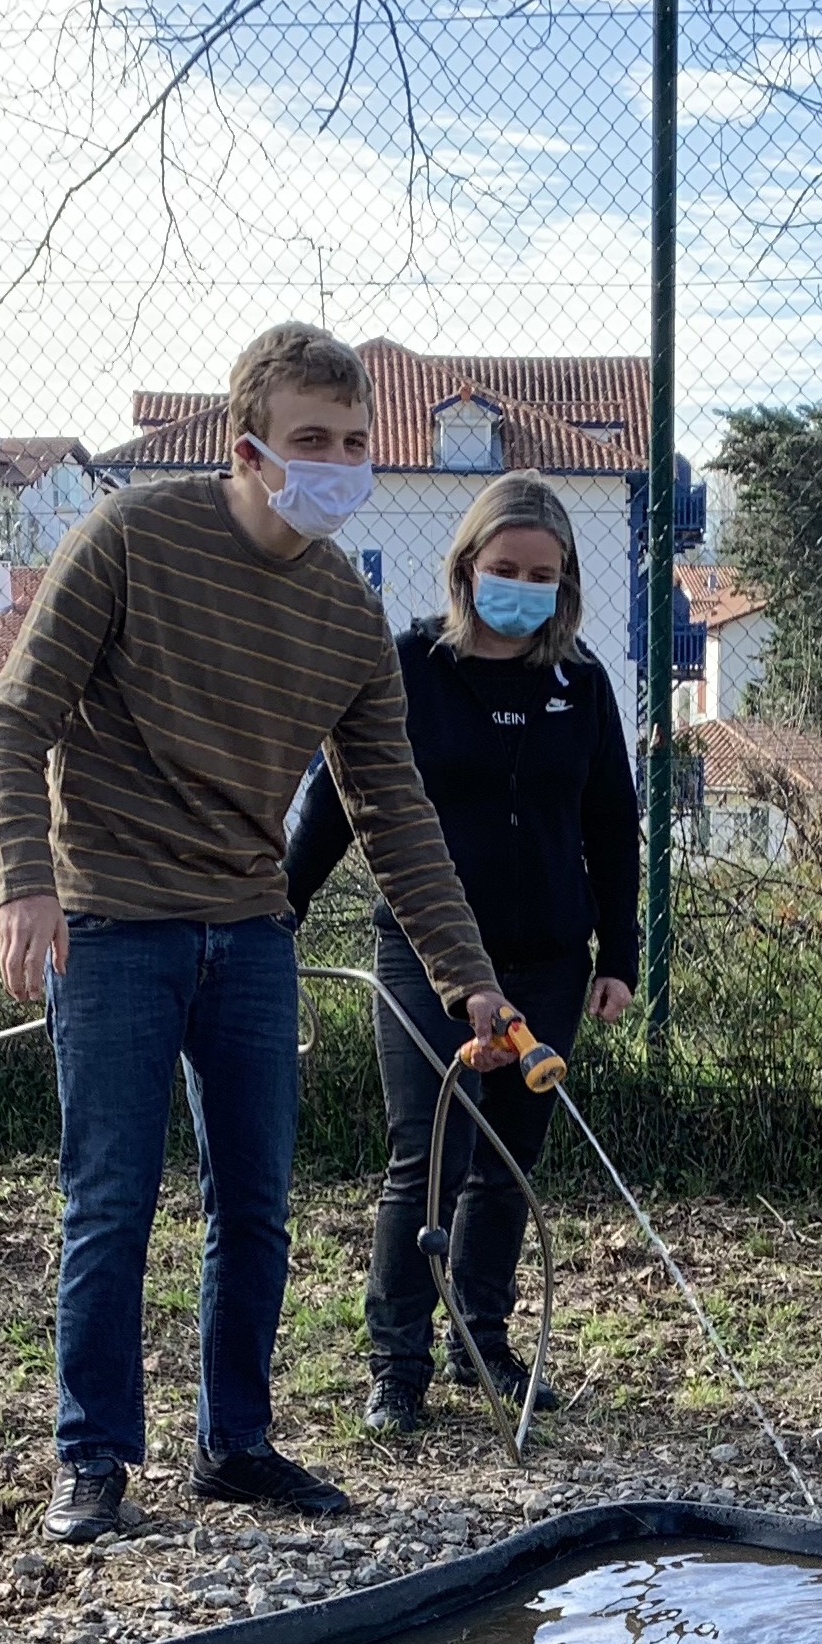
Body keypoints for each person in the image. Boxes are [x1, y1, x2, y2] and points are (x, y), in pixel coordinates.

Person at [0, 322, 509, 1540]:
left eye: (355, 441)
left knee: (255, 1203)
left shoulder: (346, 616)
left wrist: (468, 979)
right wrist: (25, 883)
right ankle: (94, 1455)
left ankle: (236, 1444)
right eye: (311, 441)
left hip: (250, 931)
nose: (336, 462)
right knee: (111, 1198)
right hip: (109, 922)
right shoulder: (130, 539)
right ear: (249, 447)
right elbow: (14, 724)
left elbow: (394, 810)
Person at [285, 471, 638, 1435]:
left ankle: (481, 1338)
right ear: (467, 568)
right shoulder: (407, 667)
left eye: (542, 573)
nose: (520, 585)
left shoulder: (584, 684)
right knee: (427, 1157)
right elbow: (335, 800)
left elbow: (612, 824)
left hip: (553, 958)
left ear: (563, 584)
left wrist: (620, 952)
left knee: (511, 1160)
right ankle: (395, 1363)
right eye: (503, 567)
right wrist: (277, 914)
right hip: (426, 956)